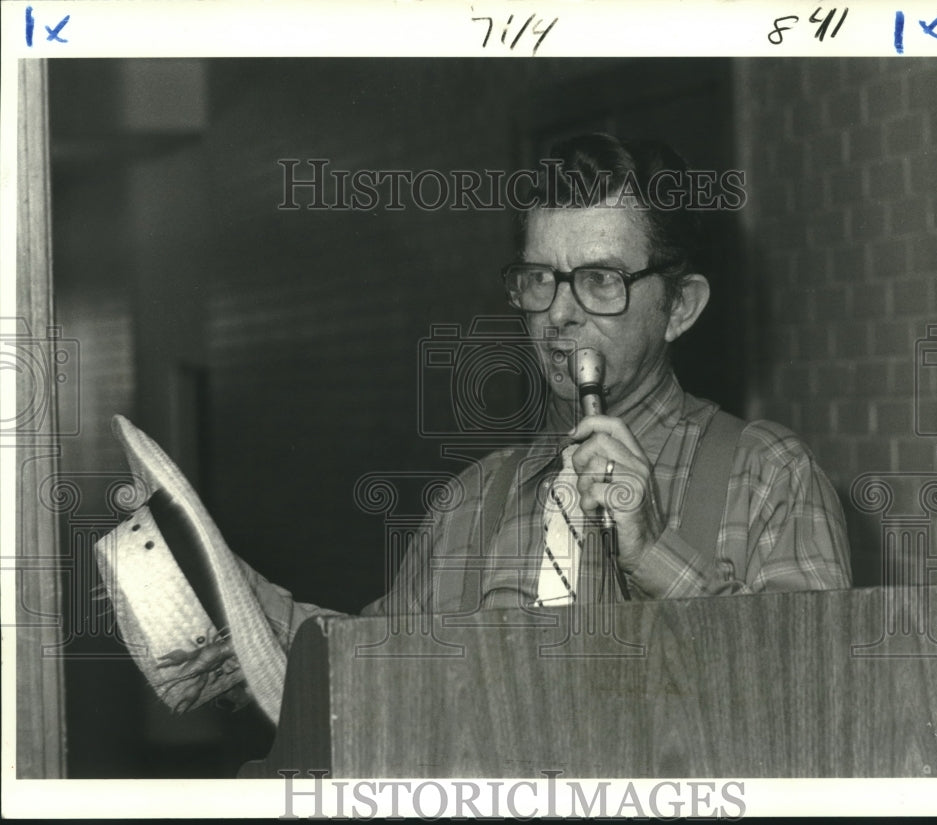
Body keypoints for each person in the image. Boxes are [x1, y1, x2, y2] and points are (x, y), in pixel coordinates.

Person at [240, 132, 852, 651]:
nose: (559, 314)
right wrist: (230, 610)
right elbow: (369, 677)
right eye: (540, 279)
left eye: (599, 280)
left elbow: (817, 696)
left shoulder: (769, 475)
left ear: (680, 307)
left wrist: (653, 552)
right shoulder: (470, 504)